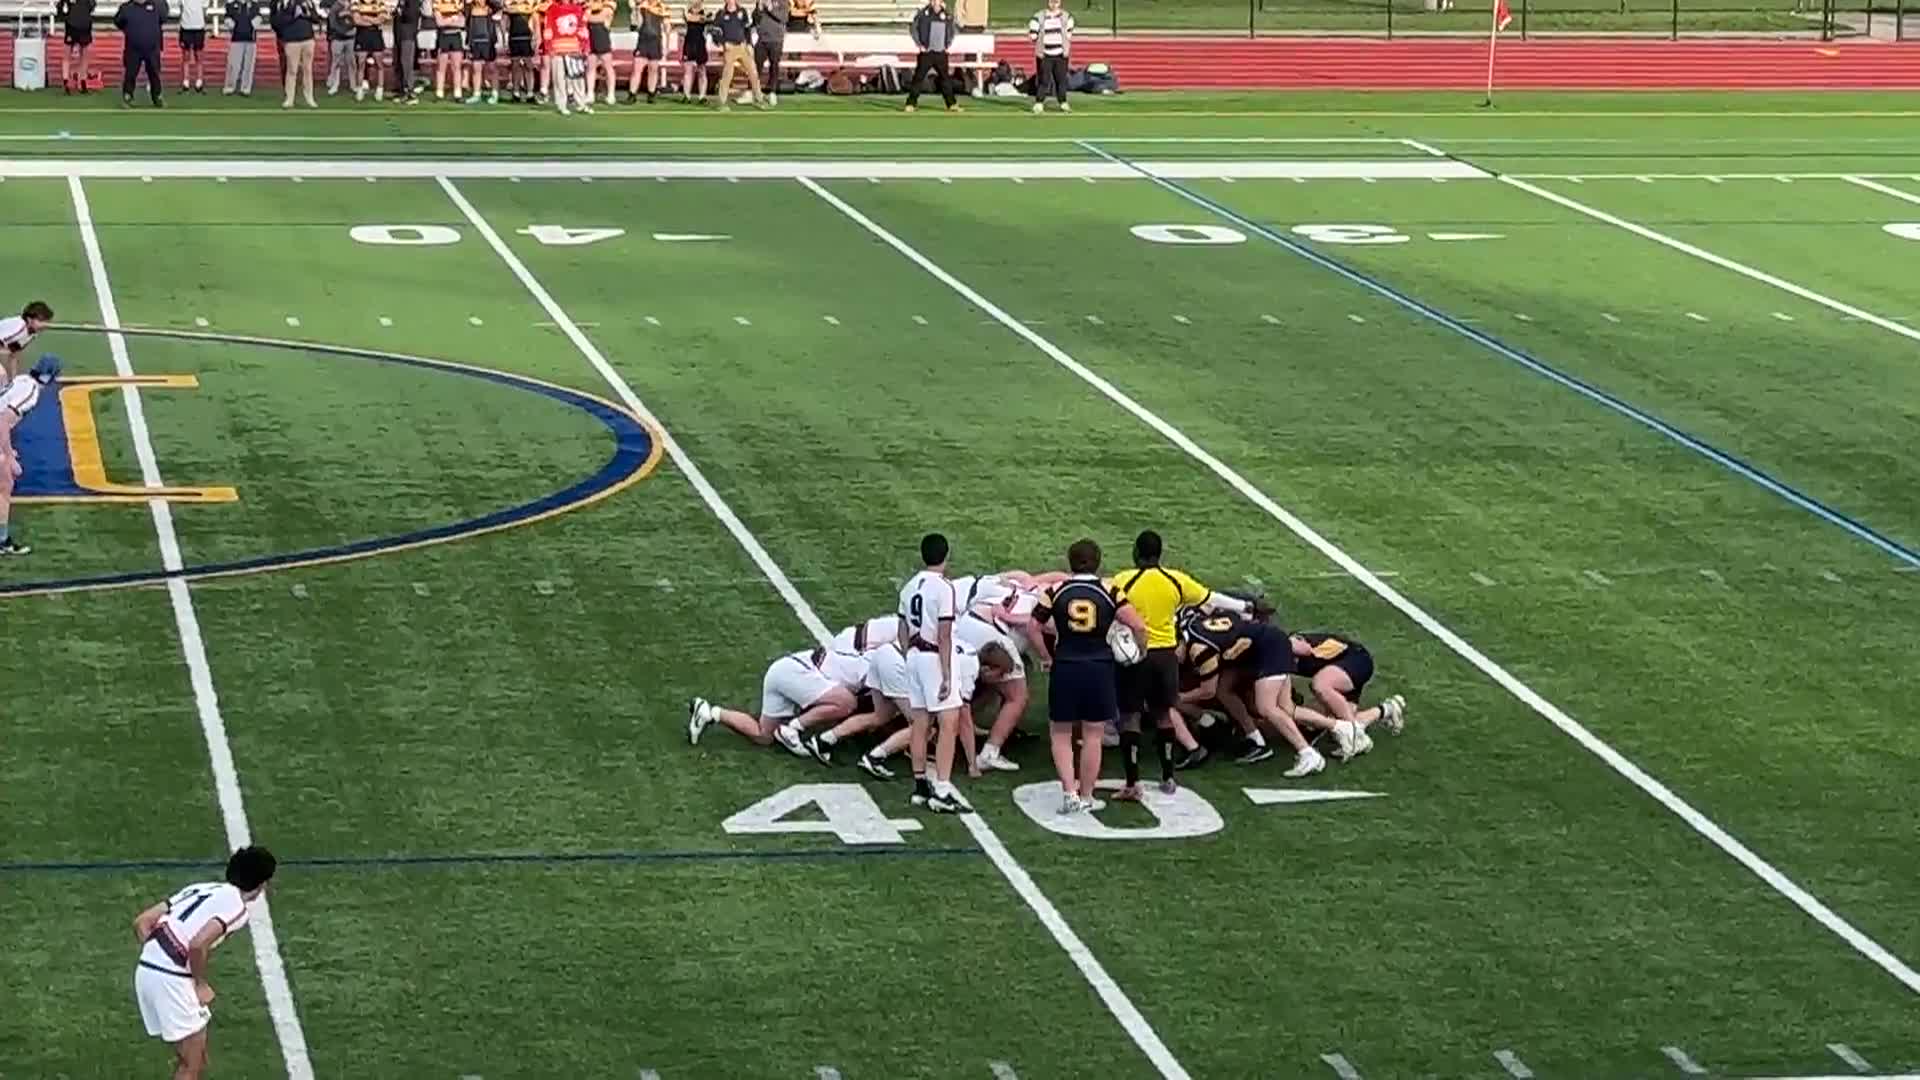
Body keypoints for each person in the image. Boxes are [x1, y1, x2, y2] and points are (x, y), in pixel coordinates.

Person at [1106, 530, 1262, 797]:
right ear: (1159, 554)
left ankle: (1132, 783)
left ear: (1136, 553)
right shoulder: (1175, 579)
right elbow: (1211, 598)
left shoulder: (1124, 580)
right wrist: (1243, 607)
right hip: (1167, 656)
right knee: (1164, 714)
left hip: (1137, 655)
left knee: (1131, 717)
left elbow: (1105, 601)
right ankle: (1168, 777)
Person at [131, 846, 278, 1080]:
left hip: (146, 971)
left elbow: (142, 922)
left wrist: (157, 955)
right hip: (171, 979)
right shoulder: (237, 909)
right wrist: (199, 985)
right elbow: (198, 945)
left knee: (196, 1057)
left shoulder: (199, 888)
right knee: (191, 1066)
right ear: (261, 884)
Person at [1034, 539, 1145, 815]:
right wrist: (1140, 651)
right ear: (1098, 562)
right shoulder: (1110, 590)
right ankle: (1086, 794)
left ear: (1070, 562)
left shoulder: (1055, 591)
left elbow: (1032, 625)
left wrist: (1045, 657)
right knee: (1093, 734)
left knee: (1060, 733)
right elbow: (1138, 625)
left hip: (1066, 665)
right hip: (1099, 667)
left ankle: (1069, 793)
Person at [896, 532, 972, 814]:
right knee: (948, 723)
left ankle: (920, 786)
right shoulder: (944, 587)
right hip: (933, 658)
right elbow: (944, 634)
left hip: (914, 657)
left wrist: (908, 656)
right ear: (946, 555)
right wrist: (947, 674)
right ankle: (941, 789)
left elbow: (902, 629)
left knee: (920, 723)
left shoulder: (909, 586)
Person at [686, 645, 866, 753]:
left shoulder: (867, 660)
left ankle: (710, 712)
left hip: (783, 671)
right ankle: (792, 729)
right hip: (796, 672)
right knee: (847, 703)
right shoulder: (873, 668)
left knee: (764, 736)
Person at [0, 355, 61, 557]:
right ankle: (2, 541)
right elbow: (3, 421)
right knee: (4, 486)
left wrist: (8, 450)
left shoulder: (21, 380)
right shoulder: (32, 392)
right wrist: (9, 457)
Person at [903, 0, 956, 113]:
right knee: (918, 78)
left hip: (940, 52)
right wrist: (919, 44)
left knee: (945, 79)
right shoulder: (923, 14)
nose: (935, 2)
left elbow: (952, 30)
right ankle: (911, 103)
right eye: (933, 0)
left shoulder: (947, 15)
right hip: (927, 52)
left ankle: (951, 104)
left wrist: (947, 44)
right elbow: (913, 28)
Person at [706, 0, 760, 110]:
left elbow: (747, 29)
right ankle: (721, 102)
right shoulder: (721, 14)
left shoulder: (742, 11)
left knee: (753, 72)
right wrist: (723, 42)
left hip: (742, 46)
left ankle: (759, 99)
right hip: (730, 48)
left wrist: (749, 44)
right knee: (727, 75)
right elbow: (714, 31)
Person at [538, 0, 591, 113]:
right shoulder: (552, 9)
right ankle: (561, 105)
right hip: (557, 48)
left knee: (577, 78)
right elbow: (548, 27)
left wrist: (585, 45)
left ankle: (581, 104)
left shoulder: (577, 9)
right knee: (559, 78)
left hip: (574, 48)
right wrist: (548, 47)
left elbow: (582, 27)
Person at [114, 0, 167, 108]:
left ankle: (157, 97)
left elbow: (162, 19)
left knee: (154, 74)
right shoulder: (126, 8)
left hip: (152, 48)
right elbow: (118, 22)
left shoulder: (157, 5)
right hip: (133, 49)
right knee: (130, 74)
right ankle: (128, 96)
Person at [271, 0, 320, 107]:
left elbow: (316, 19)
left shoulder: (307, 2)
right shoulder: (284, 4)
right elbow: (278, 22)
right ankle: (289, 98)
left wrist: (307, 13)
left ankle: (309, 97)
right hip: (291, 40)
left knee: (308, 70)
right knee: (292, 70)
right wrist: (293, 15)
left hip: (308, 39)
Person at [1026, 0, 1070, 113]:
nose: (1054, 4)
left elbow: (1068, 33)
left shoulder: (1066, 16)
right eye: (1051, 1)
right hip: (1045, 54)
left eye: (1056, 2)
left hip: (1060, 54)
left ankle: (1063, 102)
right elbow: (1033, 34)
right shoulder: (1039, 16)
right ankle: (1039, 103)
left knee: (1061, 80)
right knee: (1043, 80)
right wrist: (1035, 37)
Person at [623, 0, 668, 102]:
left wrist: (666, 45)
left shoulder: (662, 7)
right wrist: (635, 10)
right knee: (637, 68)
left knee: (653, 69)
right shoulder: (642, 7)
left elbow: (667, 26)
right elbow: (635, 25)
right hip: (643, 42)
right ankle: (632, 94)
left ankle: (651, 94)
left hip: (656, 42)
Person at [0, 301, 54, 382]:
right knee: (2, 375)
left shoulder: (32, 334)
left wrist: (14, 380)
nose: (44, 324)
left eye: (46, 321)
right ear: (29, 319)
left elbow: (14, 354)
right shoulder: (19, 326)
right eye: (41, 321)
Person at [221, 0, 264, 93]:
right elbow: (227, 18)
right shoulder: (232, 5)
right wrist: (232, 26)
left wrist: (253, 25)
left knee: (248, 66)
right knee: (233, 64)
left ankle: (245, 88)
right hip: (236, 39)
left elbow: (259, 17)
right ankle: (230, 86)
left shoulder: (254, 5)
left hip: (251, 40)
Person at [351, 0, 389, 98]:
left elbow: (381, 20)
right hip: (362, 35)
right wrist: (373, 21)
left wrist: (366, 18)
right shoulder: (356, 2)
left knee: (379, 64)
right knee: (361, 64)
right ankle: (360, 89)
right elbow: (356, 21)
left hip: (375, 35)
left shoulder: (379, 2)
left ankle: (380, 89)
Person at [464, 0, 501, 102]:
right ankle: (476, 94)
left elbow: (499, 6)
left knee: (492, 68)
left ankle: (494, 93)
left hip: (488, 40)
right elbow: (464, 10)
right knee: (476, 68)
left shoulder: (490, 8)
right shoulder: (470, 8)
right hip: (475, 40)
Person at [750, 0, 784, 106]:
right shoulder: (761, 1)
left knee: (774, 66)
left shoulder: (783, 2)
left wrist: (770, 8)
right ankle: (754, 91)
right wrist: (759, 9)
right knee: (756, 66)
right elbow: (755, 19)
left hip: (776, 39)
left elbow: (784, 17)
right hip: (762, 39)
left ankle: (772, 92)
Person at [57, 0, 96, 93]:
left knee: (67, 55)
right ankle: (83, 83)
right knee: (84, 56)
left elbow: (60, 6)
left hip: (71, 25)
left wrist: (65, 16)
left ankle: (66, 81)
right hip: (85, 24)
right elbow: (92, 5)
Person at [580, 0, 613, 104]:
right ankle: (590, 94)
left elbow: (599, 18)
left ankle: (611, 94)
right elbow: (583, 21)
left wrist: (588, 10)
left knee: (608, 68)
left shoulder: (607, 9)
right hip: (591, 41)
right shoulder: (587, 9)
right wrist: (587, 9)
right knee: (590, 68)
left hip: (603, 41)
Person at [430, 0, 464, 97]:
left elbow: (461, 23)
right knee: (441, 67)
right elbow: (439, 23)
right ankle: (439, 92)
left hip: (456, 36)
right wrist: (453, 19)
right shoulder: (437, 2)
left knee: (457, 66)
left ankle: (457, 93)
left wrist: (446, 20)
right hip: (443, 36)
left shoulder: (458, 2)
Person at [502, 0, 535, 99]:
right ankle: (516, 92)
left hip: (527, 38)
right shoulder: (509, 5)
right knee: (515, 65)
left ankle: (530, 92)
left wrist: (535, 39)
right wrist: (505, 40)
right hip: (514, 38)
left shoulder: (529, 4)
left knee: (528, 65)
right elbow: (505, 23)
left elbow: (534, 21)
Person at [676, 0, 706, 100]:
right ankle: (686, 96)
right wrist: (692, 16)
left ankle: (702, 96)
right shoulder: (687, 10)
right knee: (688, 70)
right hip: (689, 43)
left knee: (702, 71)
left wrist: (694, 17)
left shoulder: (705, 11)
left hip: (700, 44)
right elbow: (687, 17)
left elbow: (702, 19)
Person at [323, 0, 354, 93]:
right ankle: (335, 84)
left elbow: (355, 20)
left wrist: (352, 29)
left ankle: (353, 85)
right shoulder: (334, 7)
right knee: (336, 62)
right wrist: (344, 32)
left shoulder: (352, 6)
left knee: (351, 62)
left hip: (350, 38)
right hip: (337, 39)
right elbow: (333, 24)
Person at [177, 0, 207, 90]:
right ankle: (186, 80)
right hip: (186, 27)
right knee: (186, 55)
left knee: (199, 55)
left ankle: (199, 80)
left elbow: (204, 9)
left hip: (199, 27)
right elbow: (181, 8)